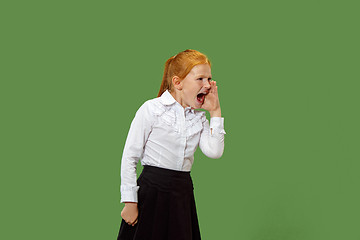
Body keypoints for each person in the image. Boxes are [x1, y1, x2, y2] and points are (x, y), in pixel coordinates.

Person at [117, 49, 226, 240]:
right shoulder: (152, 109)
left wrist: (215, 111)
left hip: (181, 195)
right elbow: (130, 157)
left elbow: (214, 152)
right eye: (200, 79)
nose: (208, 85)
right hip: (151, 193)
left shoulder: (199, 117)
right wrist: (130, 201)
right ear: (178, 82)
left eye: (209, 79)